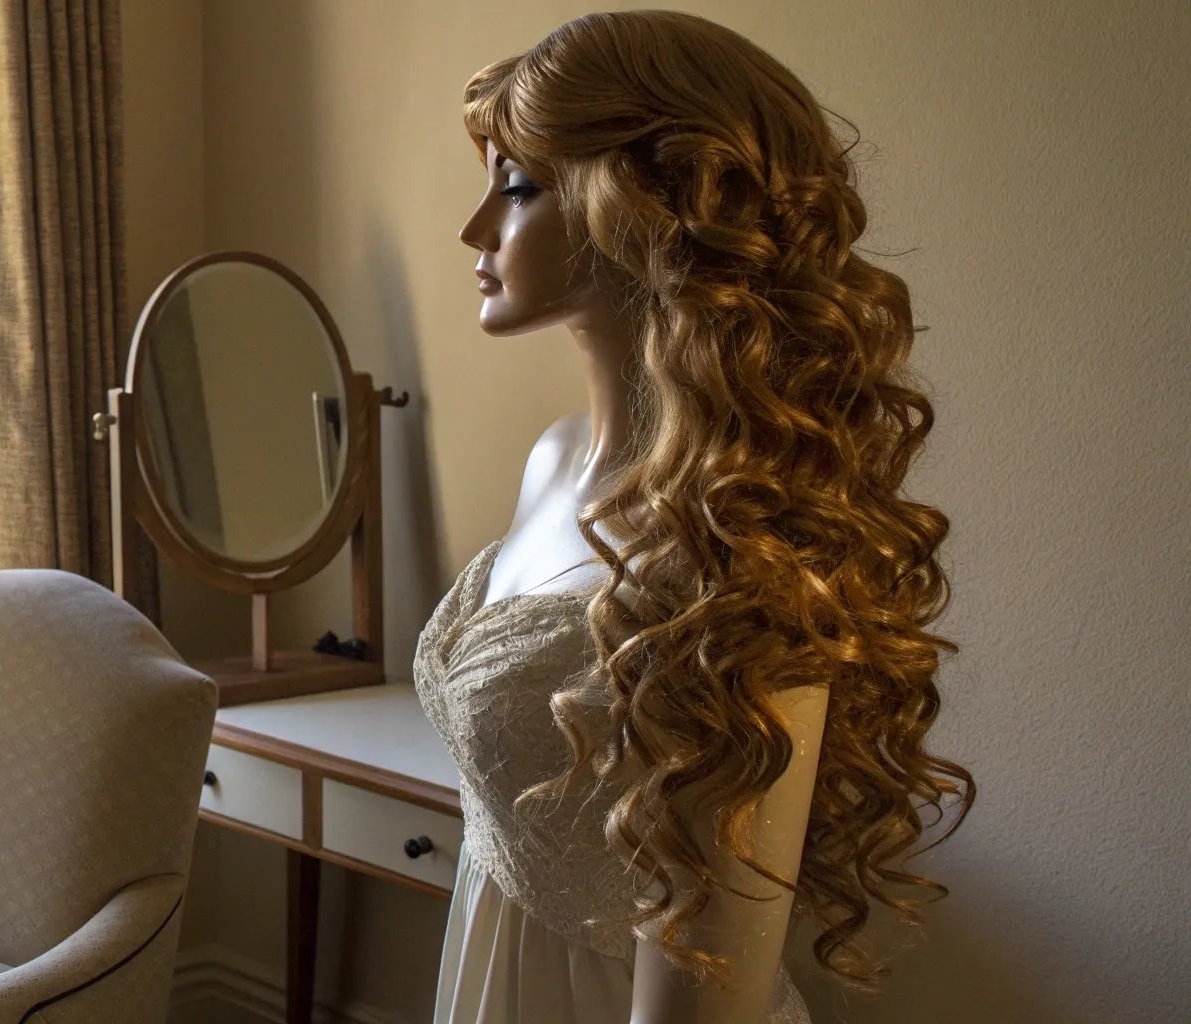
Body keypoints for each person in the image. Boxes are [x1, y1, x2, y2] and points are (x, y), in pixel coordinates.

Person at [414, 11, 975, 1024]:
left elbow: (709, 974)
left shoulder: (741, 541)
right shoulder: (551, 459)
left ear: (645, 206)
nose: (472, 232)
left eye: (517, 188)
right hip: (496, 969)